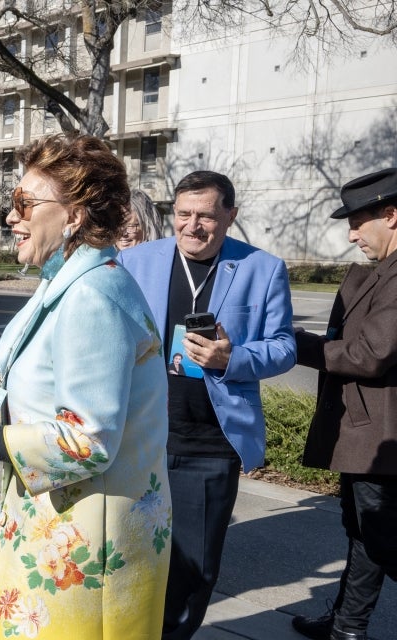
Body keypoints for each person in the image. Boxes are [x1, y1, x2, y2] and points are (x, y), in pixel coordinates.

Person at [0, 133, 172, 638]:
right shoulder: (65, 280)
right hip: (53, 520)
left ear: (75, 215)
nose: (10, 217)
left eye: (23, 203)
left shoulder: (92, 296)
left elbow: (91, 439)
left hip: (86, 542)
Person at [118, 170, 296, 639]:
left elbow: (284, 347)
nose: (192, 226)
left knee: (193, 569)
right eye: (182, 214)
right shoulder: (134, 261)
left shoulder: (263, 268)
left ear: (230, 216)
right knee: (128, 556)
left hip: (209, 444)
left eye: (205, 216)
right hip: (140, 434)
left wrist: (233, 356)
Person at [291, 168, 397, 640]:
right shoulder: (384, 272)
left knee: (382, 536)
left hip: (384, 437)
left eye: (357, 221)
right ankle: (348, 627)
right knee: (361, 529)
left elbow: (370, 354)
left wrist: (297, 345)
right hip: (367, 431)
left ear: (390, 215)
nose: (351, 233)